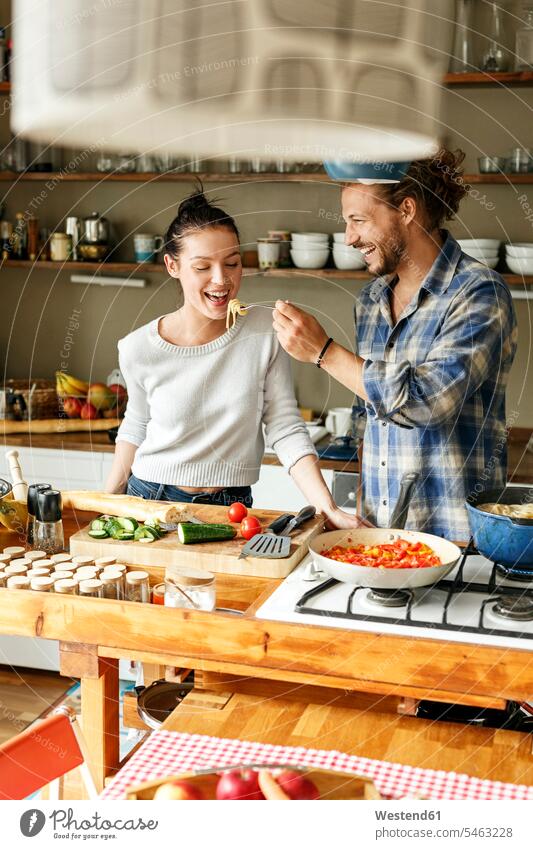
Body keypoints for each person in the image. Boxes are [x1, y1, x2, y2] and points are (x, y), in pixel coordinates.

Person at [272, 149, 517, 541]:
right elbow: (369, 416)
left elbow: (427, 403)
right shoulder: (370, 301)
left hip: (454, 540)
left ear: (406, 209)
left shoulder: (477, 293)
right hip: (378, 537)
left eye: (359, 220)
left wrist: (324, 352)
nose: (349, 237)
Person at [105, 187, 360, 528]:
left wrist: (327, 508)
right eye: (202, 266)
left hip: (233, 506)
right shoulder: (138, 347)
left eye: (232, 263)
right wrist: (106, 503)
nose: (221, 279)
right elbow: (136, 425)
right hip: (150, 500)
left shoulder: (265, 334)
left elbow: (284, 425)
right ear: (172, 266)